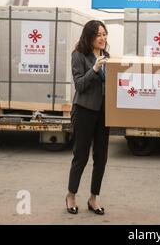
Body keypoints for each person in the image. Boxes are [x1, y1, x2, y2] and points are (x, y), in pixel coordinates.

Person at [65, 20, 110, 215]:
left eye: (104, 34)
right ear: (89, 36)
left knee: (101, 157)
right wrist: (95, 69)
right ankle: (71, 195)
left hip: (104, 112)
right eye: (98, 34)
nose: (103, 38)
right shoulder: (79, 55)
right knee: (81, 156)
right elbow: (80, 85)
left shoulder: (107, 56)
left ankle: (94, 197)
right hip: (84, 111)